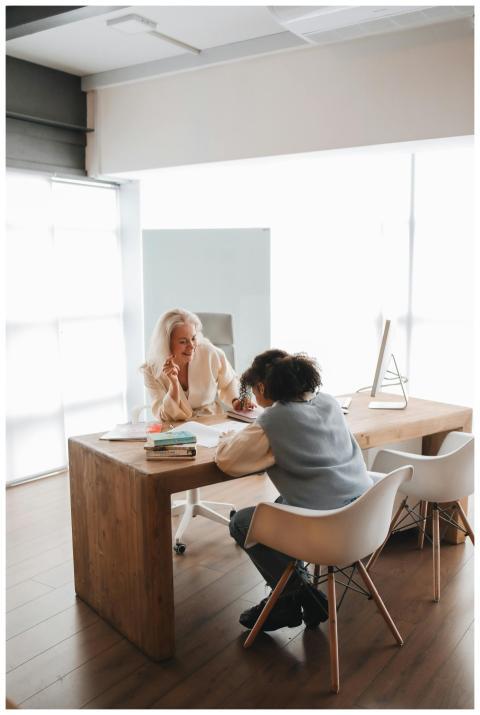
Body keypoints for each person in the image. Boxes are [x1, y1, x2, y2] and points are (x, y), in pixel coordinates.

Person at [215, 349, 373, 632]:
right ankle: (298, 595)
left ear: (262, 387)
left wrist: (228, 437)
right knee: (279, 503)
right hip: (361, 517)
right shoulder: (329, 403)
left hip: (325, 529)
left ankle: (290, 598)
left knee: (241, 523)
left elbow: (228, 461)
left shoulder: (273, 421)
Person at [141, 308, 250, 422]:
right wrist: (173, 385)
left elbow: (229, 381)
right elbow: (163, 414)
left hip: (210, 422)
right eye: (183, 341)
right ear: (166, 343)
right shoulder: (151, 370)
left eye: (193, 338)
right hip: (175, 428)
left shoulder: (210, 353)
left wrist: (236, 400)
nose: (191, 346)